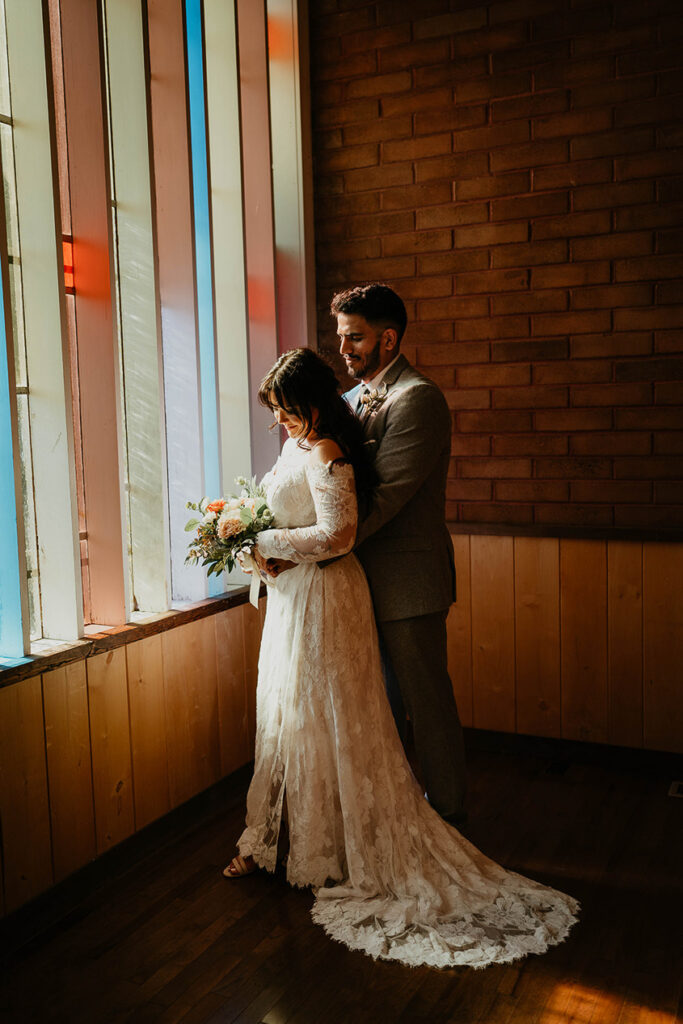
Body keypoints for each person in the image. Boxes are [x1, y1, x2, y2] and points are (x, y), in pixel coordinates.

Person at [223, 347, 579, 970]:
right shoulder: (315, 433)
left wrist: (266, 540)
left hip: (349, 583)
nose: (346, 348)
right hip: (300, 593)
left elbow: (347, 526)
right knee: (312, 713)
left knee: (392, 704)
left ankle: (438, 817)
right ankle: (306, 834)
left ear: (387, 337)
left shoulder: (403, 409)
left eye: (283, 410)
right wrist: (250, 536)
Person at [332, 283, 466, 826]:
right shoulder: (346, 402)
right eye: (341, 337)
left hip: (410, 585)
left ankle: (450, 819)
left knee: (426, 706)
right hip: (358, 581)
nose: (343, 350)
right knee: (379, 710)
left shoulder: (419, 399)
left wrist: (316, 543)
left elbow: (386, 496)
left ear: (388, 339)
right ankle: (396, 817)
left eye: (354, 338)